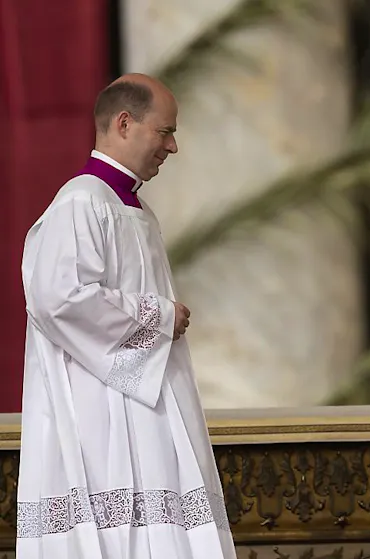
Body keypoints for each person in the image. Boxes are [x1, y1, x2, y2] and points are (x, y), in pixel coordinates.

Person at [16, 74, 235, 559]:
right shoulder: (81, 202)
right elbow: (58, 298)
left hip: (145, 408)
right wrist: (158, 316)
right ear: (124, 123)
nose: (172, 146)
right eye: (165, 131)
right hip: (103, 418)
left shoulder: (131, 208)